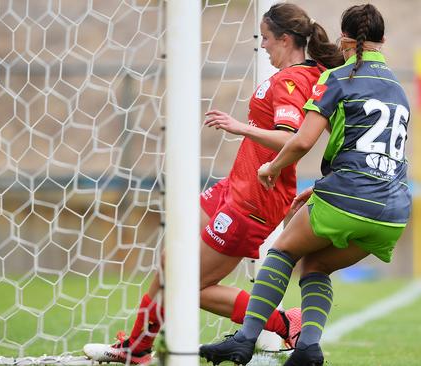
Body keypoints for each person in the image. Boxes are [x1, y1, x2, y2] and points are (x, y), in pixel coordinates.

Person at [83, 3, 344, 364]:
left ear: (285, 39)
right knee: (170, 260)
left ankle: (285, 322)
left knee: (188, 286)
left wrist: (240, 127)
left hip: (254, 199)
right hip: (234, 187)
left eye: (267, 39)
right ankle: (138, 348)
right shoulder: (299, 74)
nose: (263, 46)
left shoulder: (292, 80)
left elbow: (291, 139)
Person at [199, 4, 411, 366]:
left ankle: (246, 339)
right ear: (384, 41)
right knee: (315, 266)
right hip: (393, 209)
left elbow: (300, 141)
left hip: (349, 197)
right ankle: (308, 348)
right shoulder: (398, 89)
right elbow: (374, 153)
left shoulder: (337, 78)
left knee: (282, 252)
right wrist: (326, 187)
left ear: (345, 40)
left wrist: (270, 168)